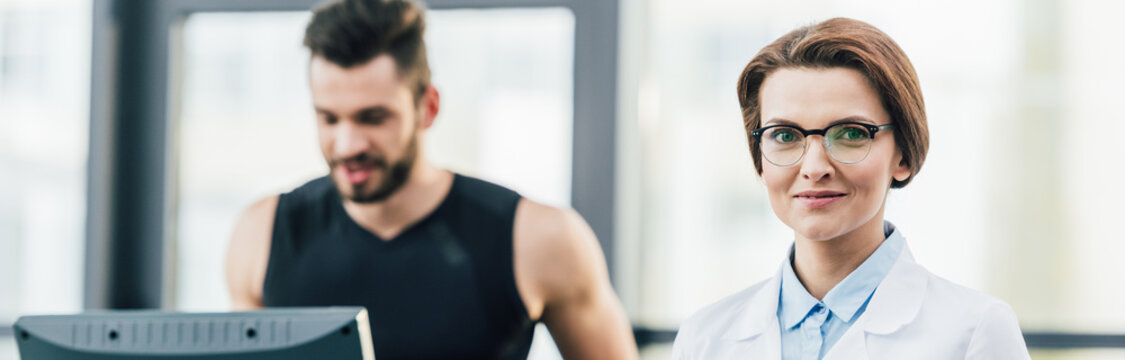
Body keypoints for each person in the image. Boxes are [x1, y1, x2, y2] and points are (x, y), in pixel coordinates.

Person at [223, 0, 637, 359]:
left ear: (428, 107)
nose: (348, 144)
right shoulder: (259, 235)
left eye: (373, 118)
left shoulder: (540, 238)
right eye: (329, 118)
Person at [671, 18, 1030, 359]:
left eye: (851, 134)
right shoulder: (704, 340)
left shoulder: (974, 333)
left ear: (902, 155)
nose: (814, 168)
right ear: (760, 159)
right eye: (784, 135)